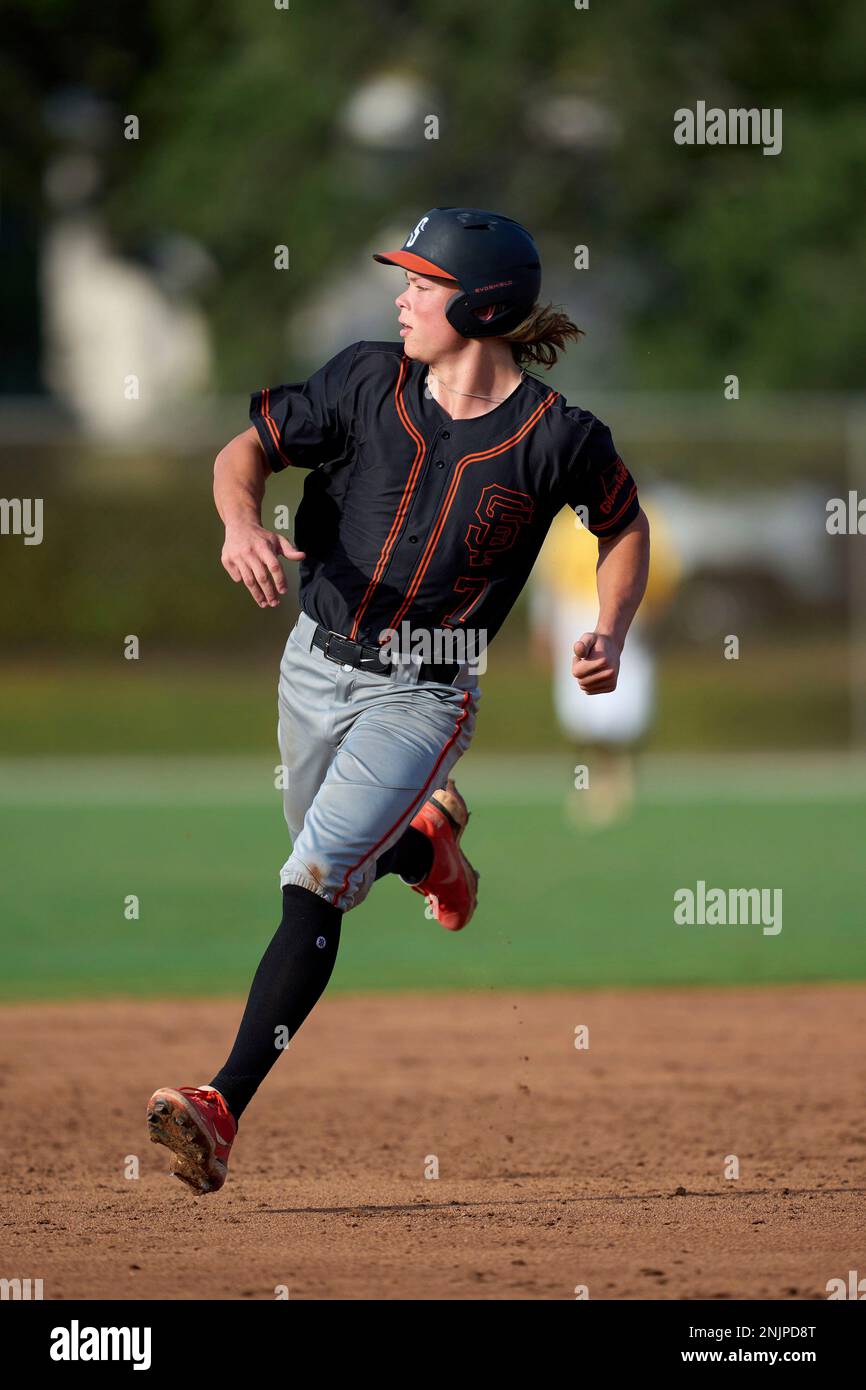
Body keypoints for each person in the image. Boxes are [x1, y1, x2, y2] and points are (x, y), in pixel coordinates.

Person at [146, 207, 650, 1194]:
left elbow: (622, 526)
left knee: (318, 875)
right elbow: (240, 452)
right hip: (310, 663)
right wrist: (238, 523)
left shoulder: (557, 438)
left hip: (424, 690)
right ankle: (429, 850)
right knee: (345, 856)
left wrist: (611, 626)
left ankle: (220, 1103)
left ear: (482, 303)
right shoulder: (364, 379)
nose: (402, 295)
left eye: (423, 281)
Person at [530, 499, 680, 826]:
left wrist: (651, 614)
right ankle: (592, 779)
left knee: (625, 704)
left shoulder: (640, 512)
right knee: (584, 707)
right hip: (575, 616)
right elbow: (550, 579)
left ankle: (621, 778)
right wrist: (544, 626)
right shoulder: (566, 522)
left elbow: (662, 571)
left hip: (628, 615)